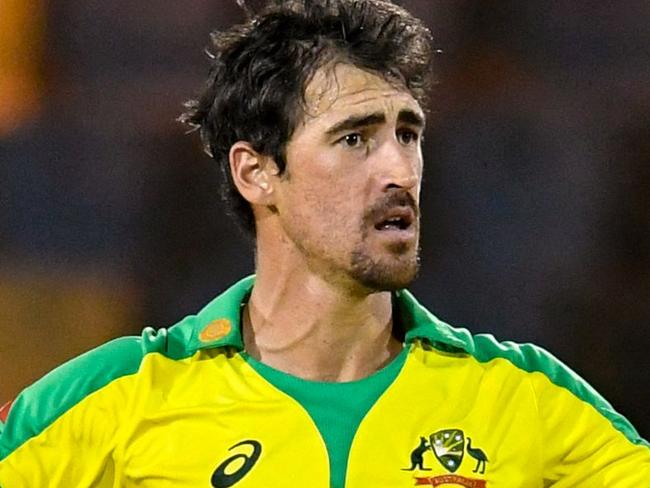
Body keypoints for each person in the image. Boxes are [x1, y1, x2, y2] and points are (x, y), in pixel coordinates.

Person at [1, 0, 648, 486]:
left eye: (408, 133)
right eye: (354, 139)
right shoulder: (122, 396)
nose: (399, 170)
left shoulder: (526, 397)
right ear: (256, 172)